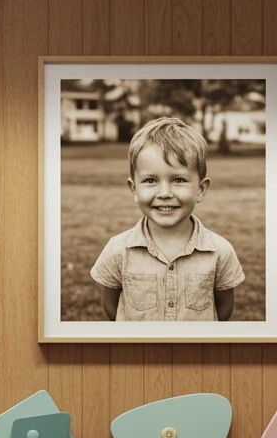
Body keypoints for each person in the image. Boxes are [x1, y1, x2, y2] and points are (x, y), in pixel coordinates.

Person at [90, 117, 244, 322]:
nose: (164, 193)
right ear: (134, 189)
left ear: (200, 189)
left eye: (178, 180)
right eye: (150, 180)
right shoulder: (118, 249)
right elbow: (111, 307)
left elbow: (223, 309)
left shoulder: (220, 251)